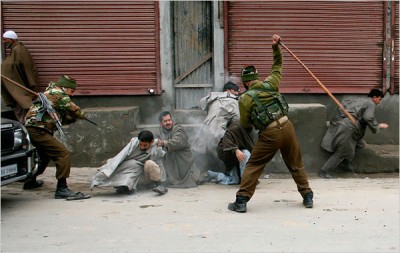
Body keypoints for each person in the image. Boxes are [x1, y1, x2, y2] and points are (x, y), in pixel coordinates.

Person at [227, 34, 314, 213]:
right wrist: (276, 47)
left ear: (246, 82)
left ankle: (241, 201)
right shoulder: (271, 83)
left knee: (254, 165)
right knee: (295, 163)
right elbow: (277, 66)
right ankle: (307, 196)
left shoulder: (245, 98)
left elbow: (245, 123)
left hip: (270, 133)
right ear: (257, 77)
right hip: (287, 126)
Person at [24, 75, 90, 200]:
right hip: (38, 130)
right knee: (62, 153)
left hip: (34, 129)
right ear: (65, 87)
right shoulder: (59, 93)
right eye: (71, 91)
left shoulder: (50, 93)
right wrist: (81, 115)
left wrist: (69, 119)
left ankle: (30, 180)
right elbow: (74, 110)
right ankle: (62, 189)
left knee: (44, 156)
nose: (72, 94)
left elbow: (56, 116)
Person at [318, 89, 389, 179]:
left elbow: (343, 106)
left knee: (360, 145)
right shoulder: (371, 103)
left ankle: (344, 164)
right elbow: (368, 117)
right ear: (374, 97)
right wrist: (377, 126)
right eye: (379, 99)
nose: (379, 102)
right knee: (343, 151)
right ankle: (325, 171)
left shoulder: (359, 100)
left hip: (348, 127)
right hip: (349, 128)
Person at [90, 130, 168, 195]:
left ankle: (159, 186)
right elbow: (120, 157)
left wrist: (161, 181)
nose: (142, 147)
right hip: (136, 174)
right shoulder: (134, 143)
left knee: (149, 163)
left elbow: (158, 166)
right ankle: (125, 187)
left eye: (145, 145)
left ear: (151, 142)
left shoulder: (156, 148)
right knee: (131, 164)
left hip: (148, 176)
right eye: (140, 144)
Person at [192, 81, 241, 173]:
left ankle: (200, 174)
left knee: (201, 155)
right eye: (236, 91)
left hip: (204, 130)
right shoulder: (233, 101)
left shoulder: (213, 96)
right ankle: (225, 175)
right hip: (218, 133)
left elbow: (201, 104)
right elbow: (237, 121)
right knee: (224, 154)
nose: (237, 93)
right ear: (228, 90)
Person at [1, 30, 40, 123]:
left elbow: (27, 69)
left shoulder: (19, 50)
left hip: (21, 89)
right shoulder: (15, 50)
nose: (3, 42)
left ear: (11, 40)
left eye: (5, 39)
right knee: (19, 109)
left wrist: (32, 86)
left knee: (23, 110)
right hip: (16, 88)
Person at [156, 111, 201, 188]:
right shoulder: (160, 131)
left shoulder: (178, 129)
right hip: (170, 163)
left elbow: (177, 143)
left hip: (183, 163)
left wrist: (164, 143)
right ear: (161, 123)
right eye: (165, 121)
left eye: (169, 120)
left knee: (194, 178)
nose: (168, 122)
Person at [206, 120, 255, 185]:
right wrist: (236, 150)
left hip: (236, 154)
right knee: (246, 154)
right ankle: (246, 180)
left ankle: (215, 175)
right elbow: (227, 138)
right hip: (227, 152)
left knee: (235, 180)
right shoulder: (236, 126)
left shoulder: (248, 129)